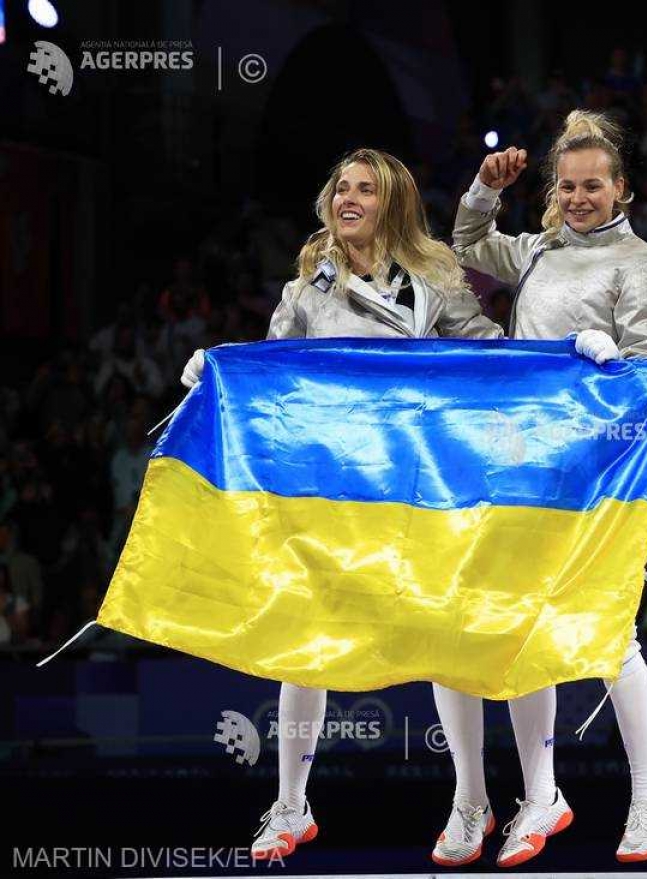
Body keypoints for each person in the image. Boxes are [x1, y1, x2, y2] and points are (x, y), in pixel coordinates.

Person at [178, 148, 501, 860]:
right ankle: (291, 805)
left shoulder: (434, 275)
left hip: (417, 485)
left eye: (365, 189)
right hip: (330, 489)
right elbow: (272, 369)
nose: (348, 198)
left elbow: (490, 352)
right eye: (341, 188)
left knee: (444, 640)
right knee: (305, 642)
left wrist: (570, 360)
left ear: (391, 203)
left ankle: (472, 800)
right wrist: (220, 366)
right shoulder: (307, 286)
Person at [437, 108, 647, 867]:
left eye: (592, 186)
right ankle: (542, 793)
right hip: (519, 463)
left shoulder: (642, 267)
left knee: (610, 632)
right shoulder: (538, 250)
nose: (578, 198)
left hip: (600, 473)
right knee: (515, 627)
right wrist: (482, 187)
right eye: (567, 186)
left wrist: (606, 364)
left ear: (620, 190)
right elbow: (464, 249)